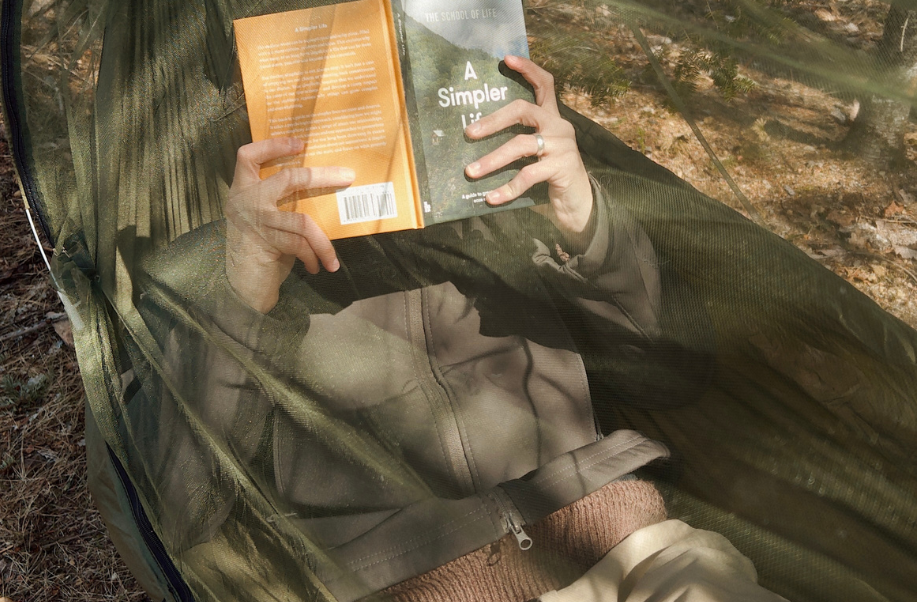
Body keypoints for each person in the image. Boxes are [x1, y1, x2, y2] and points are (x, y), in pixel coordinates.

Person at [211, 53, 789, 602]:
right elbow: (185, 505)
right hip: (420, 582)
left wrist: (584, 220)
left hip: (626, 546)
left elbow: (673, 375)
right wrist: (242, 296)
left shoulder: (511, 215)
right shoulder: (240, 267)